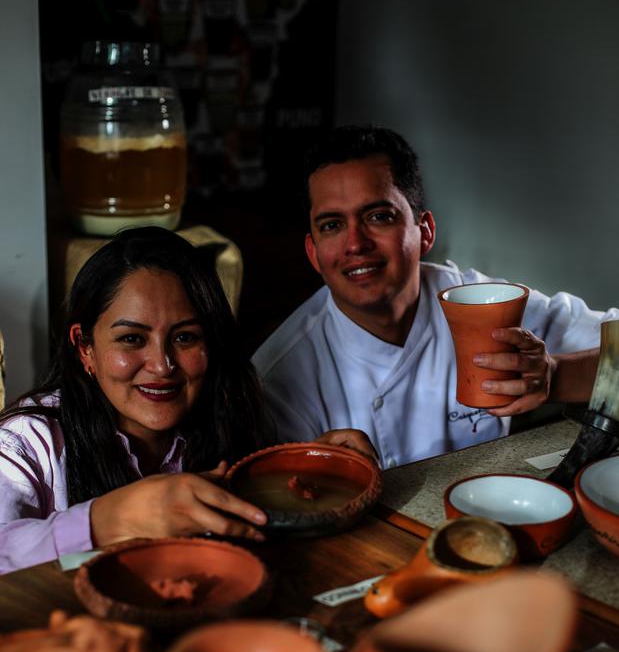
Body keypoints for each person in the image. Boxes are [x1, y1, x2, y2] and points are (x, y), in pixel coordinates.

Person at [0, 226, 370, 575]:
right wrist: (111, 518)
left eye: (185, 337)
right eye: (131, 339)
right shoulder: (26, 441)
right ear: (85, 348)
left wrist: (293, 477)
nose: (162, 366)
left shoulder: (229, 413)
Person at [253, 125, 619, 469]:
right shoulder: (279, 378)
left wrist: (555, 375)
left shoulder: (481, 303)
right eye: (332, 225)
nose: (355, 244)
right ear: (314, 252)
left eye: (379, 216)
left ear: (424, 232)